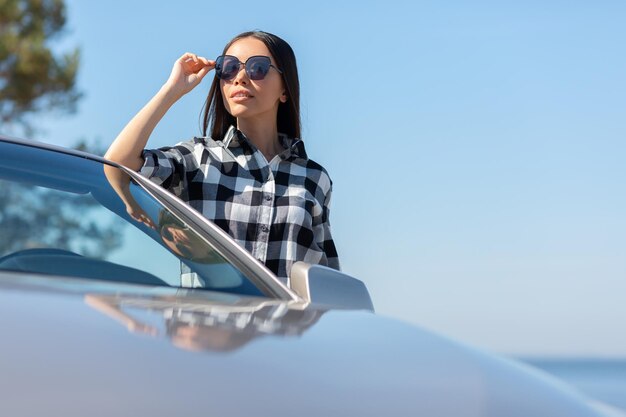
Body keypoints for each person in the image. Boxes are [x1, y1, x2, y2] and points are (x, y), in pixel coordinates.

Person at [105, 31, 339, 284]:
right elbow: (119, 163)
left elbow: (326, 276)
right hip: (206, 322)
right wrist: (172, 90)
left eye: (257, 67)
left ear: (285, 89)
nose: (240, 78)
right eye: (228, 68)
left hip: (286, 323)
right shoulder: (197, 159)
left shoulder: (314, 178)